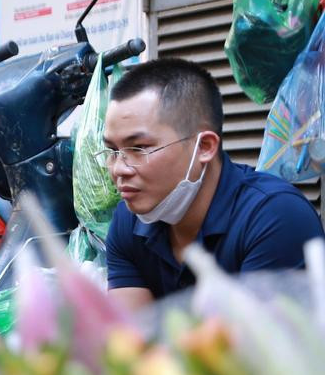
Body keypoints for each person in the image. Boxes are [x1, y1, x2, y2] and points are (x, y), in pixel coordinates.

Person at [102, 58, 324, 308]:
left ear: (204, 147)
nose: (119, 168)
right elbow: (126, 340)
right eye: (112, 150)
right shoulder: (129, 221)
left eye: (139, 148)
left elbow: (256, 343)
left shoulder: (275, 216)